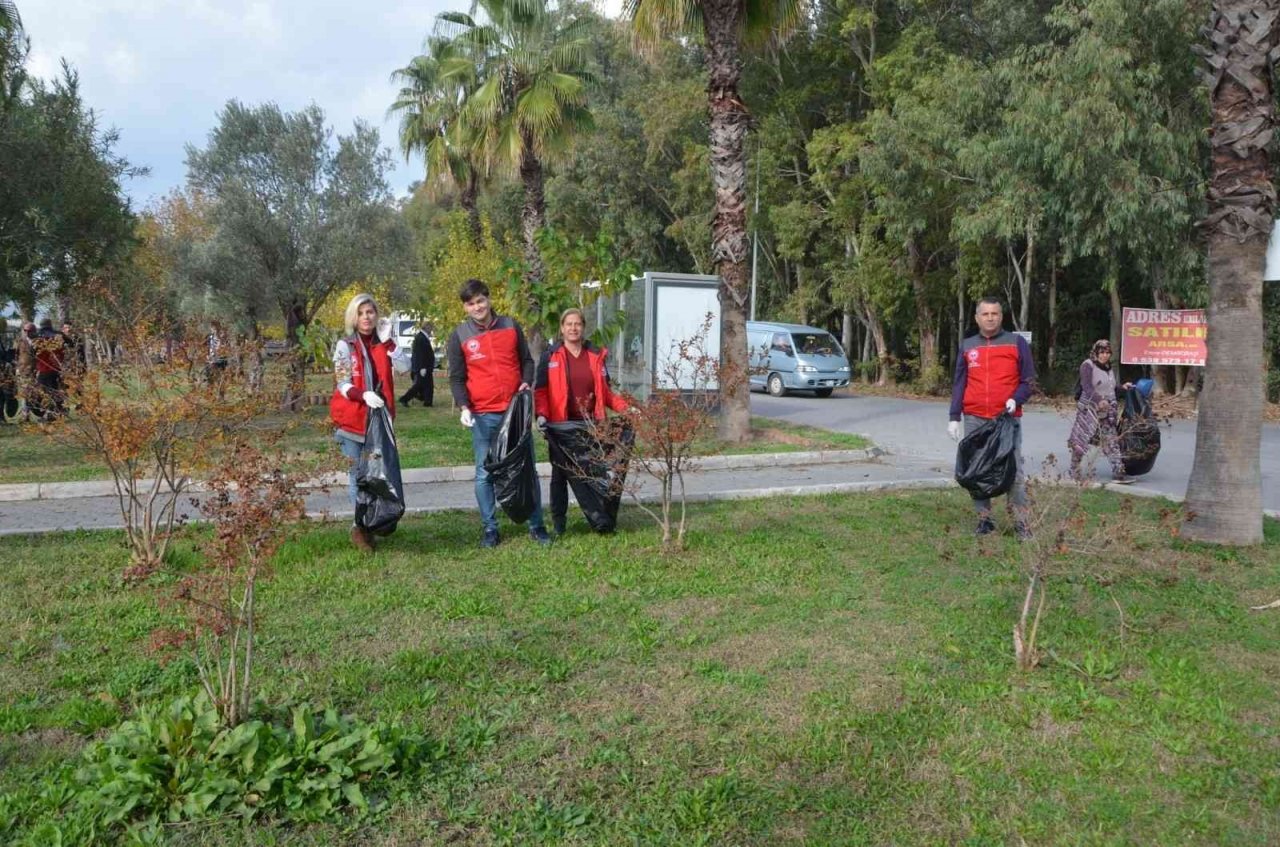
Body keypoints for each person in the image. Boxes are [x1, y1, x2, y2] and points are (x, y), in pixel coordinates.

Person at [446, 278, 551, 548]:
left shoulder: (510, 325)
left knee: (526, 470)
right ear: (465, 307)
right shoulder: (459, 335)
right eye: (471, 303)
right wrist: (464, 406)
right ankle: (490, 529)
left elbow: (526, 361)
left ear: (489, 299)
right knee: (485, 473)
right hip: (483, 415)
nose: (477, 306)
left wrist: (526, 382)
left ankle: (537, 525)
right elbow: (457, 378)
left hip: (514, 413)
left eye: (481, 300)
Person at [534, 308, 632, 536]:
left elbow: (606, 393)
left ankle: (600, 519)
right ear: (562, 328)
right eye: (568, 324)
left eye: (577, 324)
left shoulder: (596, 355)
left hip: (592, 425)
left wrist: (626, 409)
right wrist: (542, 414)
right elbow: (541, 391)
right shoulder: (551, 356)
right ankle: (559, 522)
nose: (573, 328)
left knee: (595, 472)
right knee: (560, 475)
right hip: (562, 428)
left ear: (583, 327)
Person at [947, 298, 1036, 538]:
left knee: (1013, 471)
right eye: (985, 313)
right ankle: (985, 521)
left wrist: (1015, 399)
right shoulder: (967, 346)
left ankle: (1021, 524)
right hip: (975, 417)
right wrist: (954, 416)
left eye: (994, 313)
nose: (990, 317)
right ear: (977, 318)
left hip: (1006, 419)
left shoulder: (1016, 343)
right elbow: (959, 383)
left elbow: (1028, 381)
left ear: (1001, 317)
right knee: (977, 471)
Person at [330, 293, 397, 553]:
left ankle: (372, 522)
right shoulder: (344, 345)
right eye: (360, 313)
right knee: (357, 477)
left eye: (370, 312)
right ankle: (359, 527)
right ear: (353, 317)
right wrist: (363, 395)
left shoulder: (384, 343)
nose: (366, 317)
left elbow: (403, 367)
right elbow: (342, 382)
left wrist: (390, 340)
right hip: (353, 422)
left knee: (378, 476)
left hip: (379, 422)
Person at [1067, 339, 1134, 484]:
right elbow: (1087, 386)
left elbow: (1111, 388)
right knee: (1081, 440)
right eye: (1102, 352)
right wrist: (1099, 400)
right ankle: (1074, 470)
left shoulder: (1109, 368)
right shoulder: (1087, 365)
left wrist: (1123, 387)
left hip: (1107, 410)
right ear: (1096, 353)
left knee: (1110, 439)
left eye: (1107, 352)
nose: (1105, 355)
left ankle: (1118, 471)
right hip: (1089, 409)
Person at [33, 318, 66, 420]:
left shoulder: (37, 336)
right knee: (55, 391)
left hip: (43, 369)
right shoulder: (58, 335)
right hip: (56, 368)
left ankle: (47, 414)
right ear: (50, 325)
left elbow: (33, 353)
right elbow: (69, 345)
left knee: (42, 393)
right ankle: (57, 413)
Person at [399, 322, 435, 407]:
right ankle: (404, 399)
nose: (432, 330)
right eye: (431, 327)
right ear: (427, 328)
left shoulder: (422, 337)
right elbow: (419, 354)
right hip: (422, 367)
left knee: (428, 385)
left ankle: (428, 402)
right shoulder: (420, 338)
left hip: (425, 367)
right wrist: (422, 367)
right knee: (418, 385)